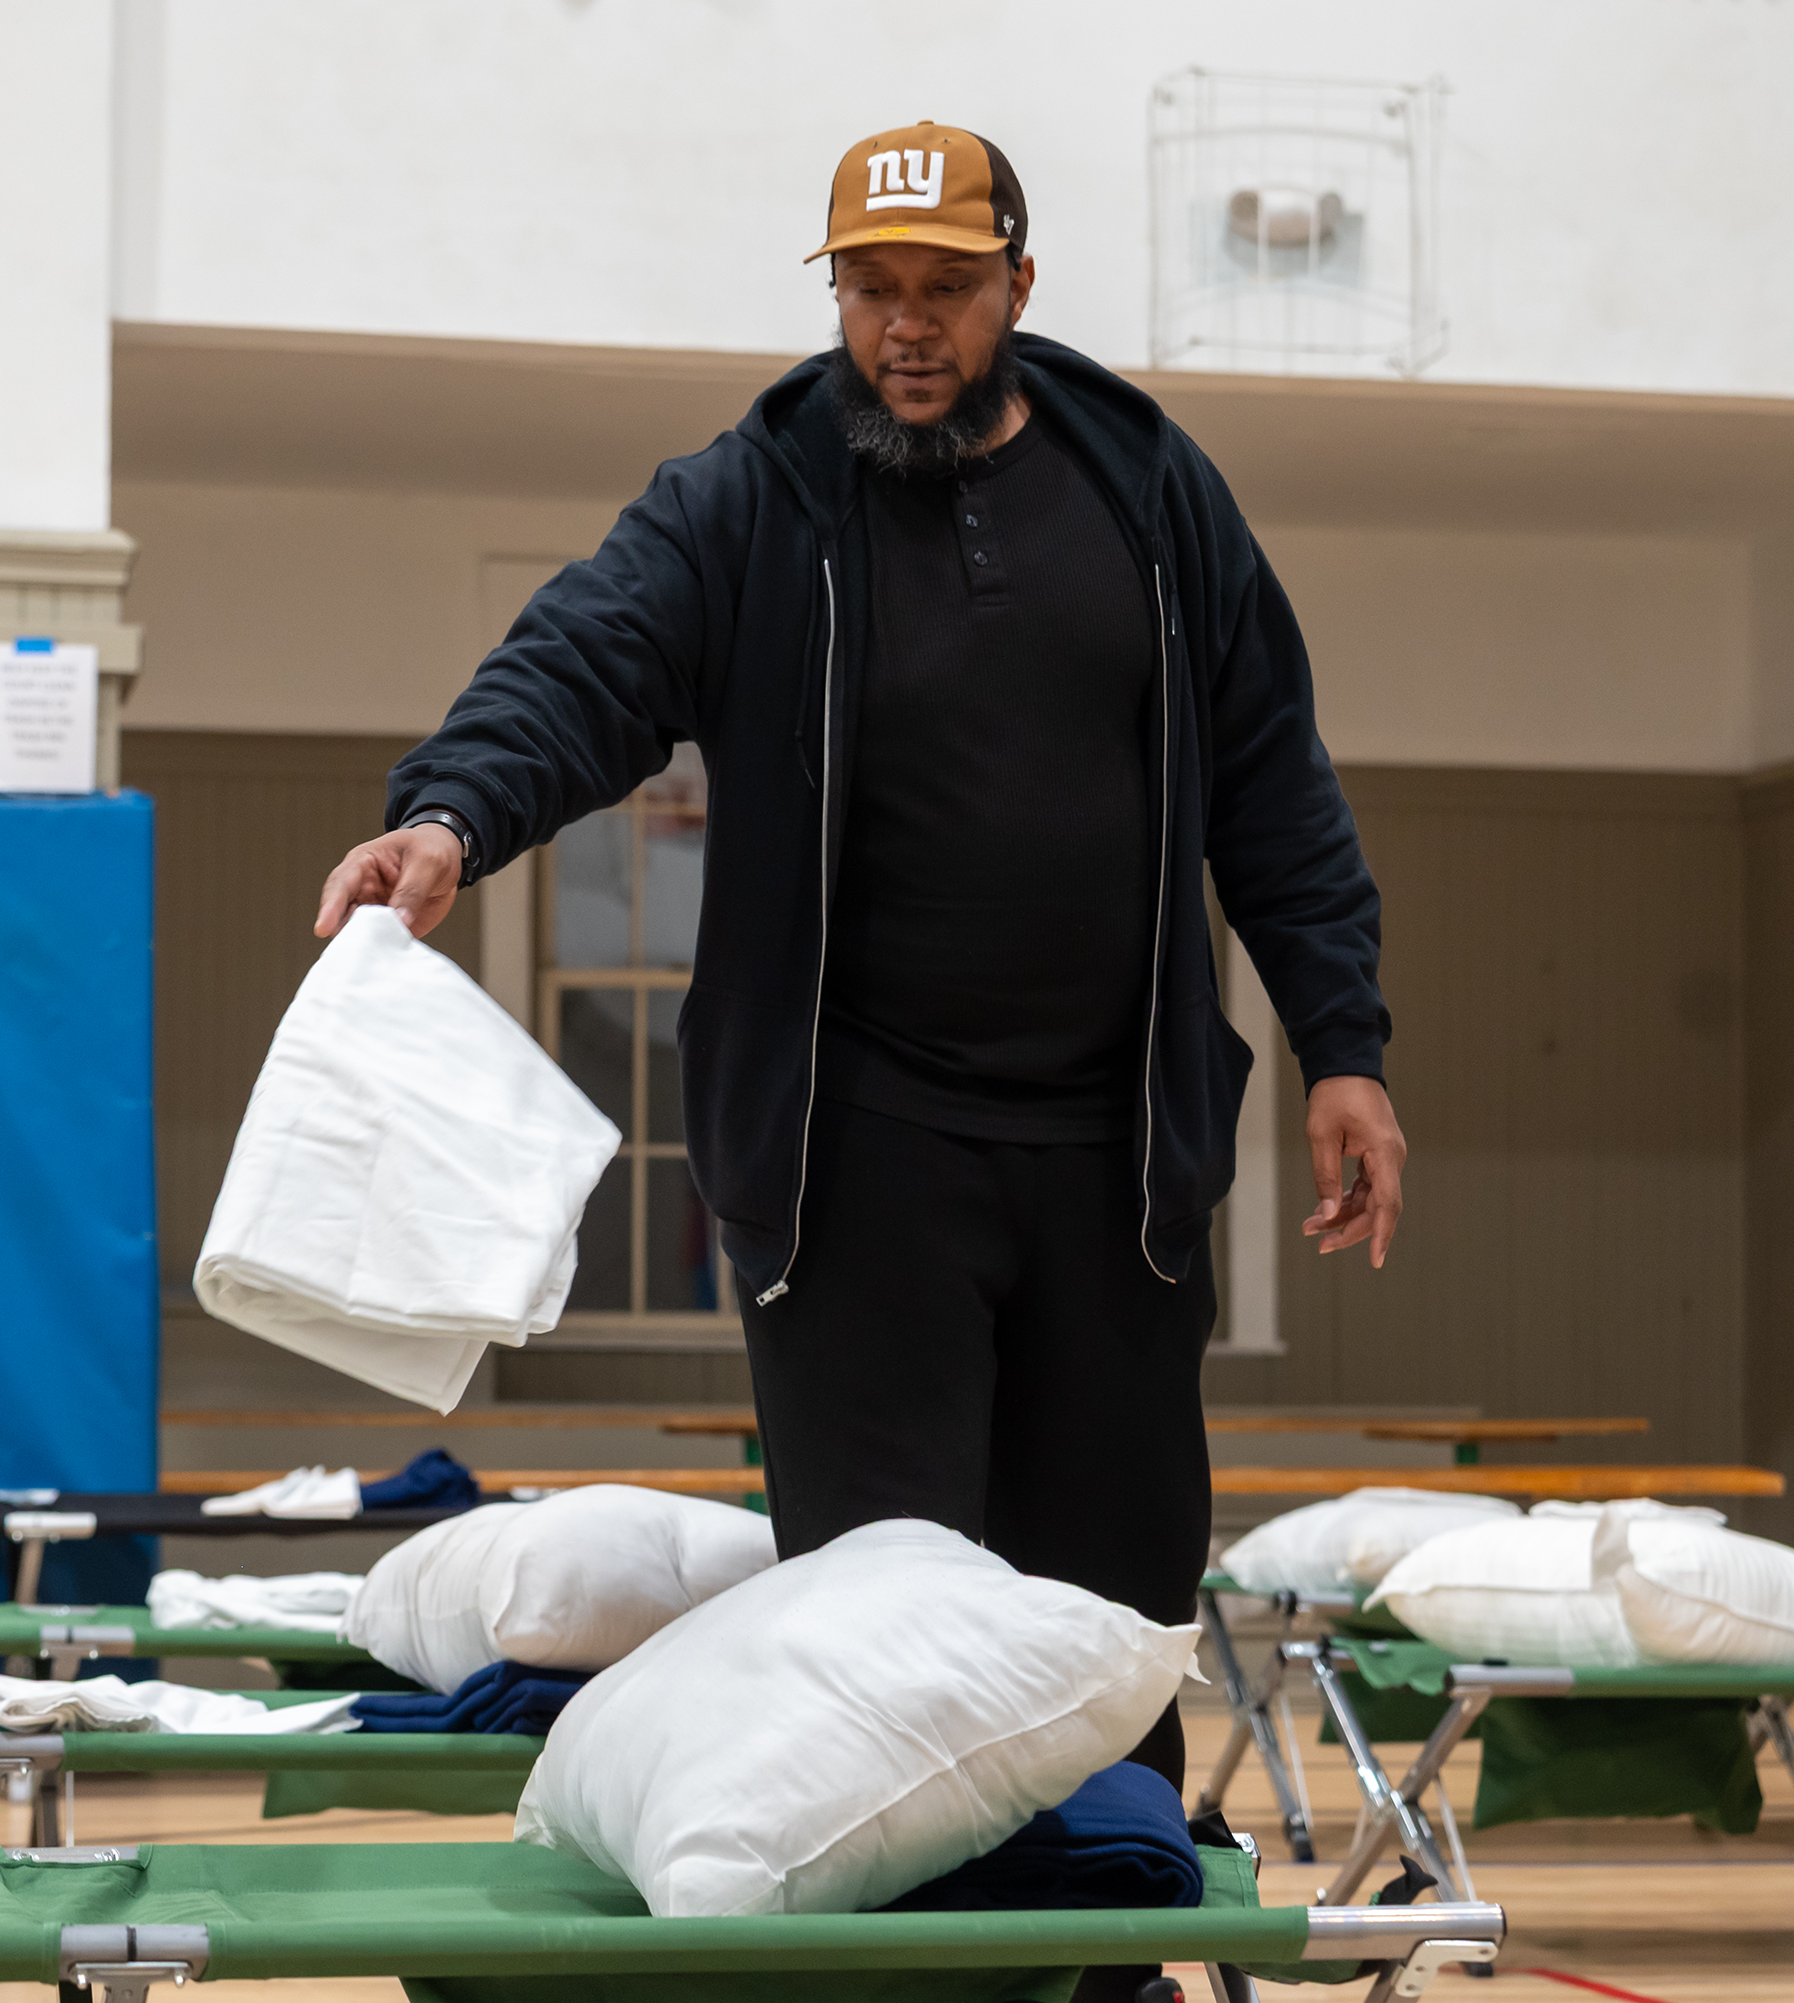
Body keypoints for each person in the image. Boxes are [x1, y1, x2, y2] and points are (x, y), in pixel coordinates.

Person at [316, 112, 1404, 1886]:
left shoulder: (1148, 491)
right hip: (857, 1163)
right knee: (877, 1631)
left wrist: (1342, 1046)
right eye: (873, 290)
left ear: (1018, 289)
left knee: (1111, 1616)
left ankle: (1109, 1952)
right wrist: (449, 815)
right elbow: (584, 658)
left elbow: (1275, 778)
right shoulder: (752, 500)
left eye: (948, 291)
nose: (907, 326)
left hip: (1115, 1168)